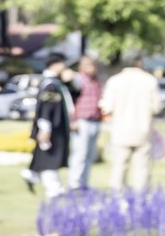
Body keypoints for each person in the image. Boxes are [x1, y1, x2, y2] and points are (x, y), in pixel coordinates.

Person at [100, 55, 160, 191]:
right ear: (138, 63)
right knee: (142, 168)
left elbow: (107, 107)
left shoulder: (114, 81)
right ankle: (141, 198)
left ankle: (118, 197)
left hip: (120, 130)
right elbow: (156, 107)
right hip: (142, 129)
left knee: (119, 167)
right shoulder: (149, 81)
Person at [20, 53, 71, 198]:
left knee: (46, 154)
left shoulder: (53, 82)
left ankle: (32, 174)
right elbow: (47, 108)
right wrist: (45, 128)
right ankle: (53, 187)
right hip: (52, 127)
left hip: (54, 126)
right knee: (50, 157)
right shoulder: (50, 85)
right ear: (55, 64)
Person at [68, 55, 103, 191]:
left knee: (89, 154)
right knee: (80, 153)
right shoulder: (77, 80)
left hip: (95, 120)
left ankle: (84, 183)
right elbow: (70, 101)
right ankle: (74, 183)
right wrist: (73, 120)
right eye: (88, 65)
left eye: (93, 65)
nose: (92, 68)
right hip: (81, 121)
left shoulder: (97, 81)